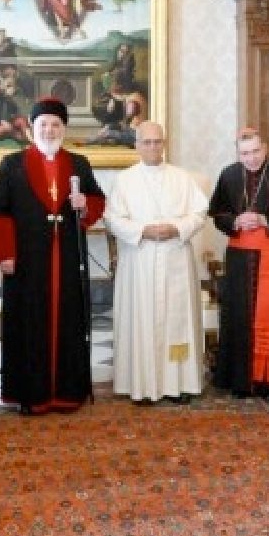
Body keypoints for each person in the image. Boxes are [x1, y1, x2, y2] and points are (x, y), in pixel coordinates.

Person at [0, 98, 107, 414]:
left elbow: (96, 202)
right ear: (32, 128)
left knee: (69, 319)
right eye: (43, 125)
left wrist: (86, 205)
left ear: (64, 129)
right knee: (29, 322)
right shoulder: (12, 164)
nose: (49, 130)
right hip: (27, 258)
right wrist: (4, 255)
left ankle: (67, 393)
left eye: (55, 125)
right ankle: (32, 394)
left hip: (67, 255)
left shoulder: (79, 163)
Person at [105, 120, 210, 404]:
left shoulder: (182, 177)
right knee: (141, 319)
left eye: (157, 142)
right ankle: (142, 386)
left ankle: (179, 384)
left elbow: (200, 213)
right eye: (147, 142)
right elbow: (113, 218)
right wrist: (144, 231)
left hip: (175, 256)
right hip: (139, 259)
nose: (153, 147)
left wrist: (176, 228)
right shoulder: (124, 180)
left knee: (178, 321)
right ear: (137, 145)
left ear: (164, 144)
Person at [209, 127, 269, 397]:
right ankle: (240, 378)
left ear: (265, 148)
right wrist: (236, 220)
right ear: (237, 153)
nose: (251, 158)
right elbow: (218, 214)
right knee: (239, 316)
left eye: (255, 151)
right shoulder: (229, 174)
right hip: (240, 256)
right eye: (244, 153)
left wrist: (265, 220)